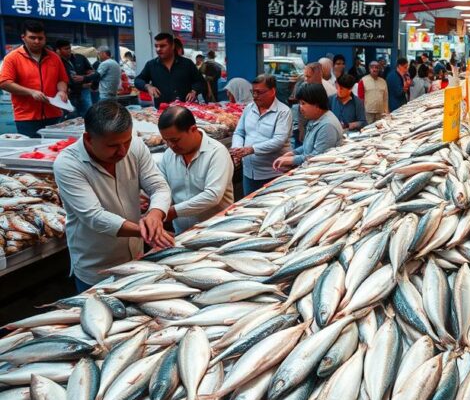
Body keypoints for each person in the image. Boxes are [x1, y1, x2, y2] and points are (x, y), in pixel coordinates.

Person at [53, 100, 174, 292]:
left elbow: (159, 186)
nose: (122, 151)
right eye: (112, 146)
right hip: (97, 267)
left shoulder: (135, 146)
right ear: (88, 139)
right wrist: (145, 232)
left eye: (126, 142)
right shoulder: (68, 164)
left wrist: (155, 214)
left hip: (137, 259)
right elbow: (94, 217)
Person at [156, 105, 234, 234]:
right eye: (166, 141)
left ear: (193, 129)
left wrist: (174, 211)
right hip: (182, 232)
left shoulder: (216, 153)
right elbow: (162, 186)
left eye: (175, 140)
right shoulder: (169, 154)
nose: (171, 145)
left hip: (217, 230)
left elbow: (212, 195)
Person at [0, 22, 69, 137]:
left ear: (45, 38)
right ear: (23, 37)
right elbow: (4, 82)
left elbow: (62, 79)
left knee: (56, 149)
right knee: (31, 151)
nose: (37, 41)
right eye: (32, 37)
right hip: (27, 117)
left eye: (40, 38)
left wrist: (62, 91)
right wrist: (31, 92)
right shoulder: (12, 58)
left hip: (54, 114)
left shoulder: (54, 57)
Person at [231, 75, 292, 196]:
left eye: (259, 92)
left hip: (273, 173)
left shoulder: (283, 112)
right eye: (253, 92)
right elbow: (239, 132)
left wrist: (251, 149)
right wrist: (237, 149)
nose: (255, 96)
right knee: (248, 206)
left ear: (272, 91)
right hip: (249, 172)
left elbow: (279, 140)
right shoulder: (249, 108)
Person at [274, 83, 344, 171]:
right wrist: (293, 152)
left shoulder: (327, 126)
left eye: (303, 103)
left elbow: (318, 157)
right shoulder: (314, 118)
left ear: (317, 105)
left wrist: (292, 160)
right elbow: (308, 146)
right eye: (299, 103)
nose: (300, 108)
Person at [134, 33, 205, 107]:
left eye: (162, 46)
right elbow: (138, 80)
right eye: (156, 46)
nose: (158, 49)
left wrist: (194, 91)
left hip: (185, 110)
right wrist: (148, 86)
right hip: (162, 111)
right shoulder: (151, 65)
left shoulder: (187, 64)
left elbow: (200, 81)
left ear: (172, 46)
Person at [55, 39, 94, 117]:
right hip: (69, 93)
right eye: (66, 49)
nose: (69, 50)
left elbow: (91, 72)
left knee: (88, 112)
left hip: (84, 90)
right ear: (58, 50)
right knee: (71, 115)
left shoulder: (80, 58)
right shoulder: (56, 61)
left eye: (69, 48)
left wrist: (85, 78)